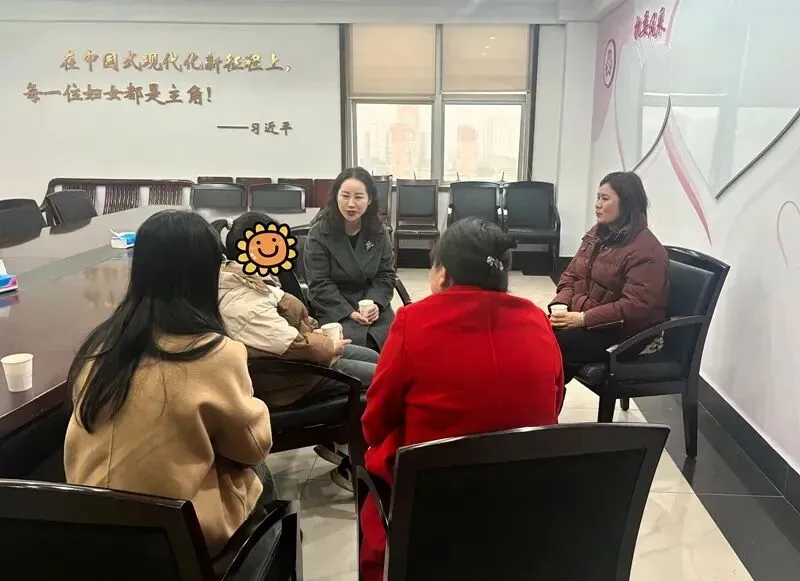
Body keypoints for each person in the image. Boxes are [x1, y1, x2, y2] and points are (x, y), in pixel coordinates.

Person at [359, 217, 565, 581]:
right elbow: (555, 403)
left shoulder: (413, 321)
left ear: (442, 274)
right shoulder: (537, 320)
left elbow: (376, 422)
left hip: (434, 513)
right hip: (524, 507)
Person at [64, 210, 275, 560]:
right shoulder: (214, 352)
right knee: (260, 476)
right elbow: (252, 447)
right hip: (170, 540)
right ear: (206, 274)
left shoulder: (101, 346)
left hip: (90, 533)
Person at [212, 212, 378, 490]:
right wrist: (327, 343)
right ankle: (356, 463)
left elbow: (384, 277)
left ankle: (339, 445)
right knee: (380, 378)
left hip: (301, 354)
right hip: (291, 376)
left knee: (374, 357)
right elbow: (292, 343)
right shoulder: (241, 299)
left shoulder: (251, 277)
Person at [549, 171, 669, 384]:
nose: (597, 204)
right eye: (597, 197)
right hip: (594, 320)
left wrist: (583, 319)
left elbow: (635, 306)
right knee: (536, 334)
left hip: (628, 332)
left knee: (557, 347)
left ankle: (544, 401)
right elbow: (571, 274)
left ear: (627, 203)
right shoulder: (596, 234)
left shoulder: (647, 250)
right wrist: (562, 305)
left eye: (605, 199)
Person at [304, 167, 396, 352]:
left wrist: (375, 303)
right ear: (336, 196)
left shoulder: (379, 231)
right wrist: (349, 312)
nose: (351, 204)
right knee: (360, 346)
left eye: (359, 197)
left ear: (370, 199)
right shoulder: (319, 232)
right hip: (334, 306)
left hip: (372, 304)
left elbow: (386, 275)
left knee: (396, 340)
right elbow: (319, 283)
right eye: (345, 196)